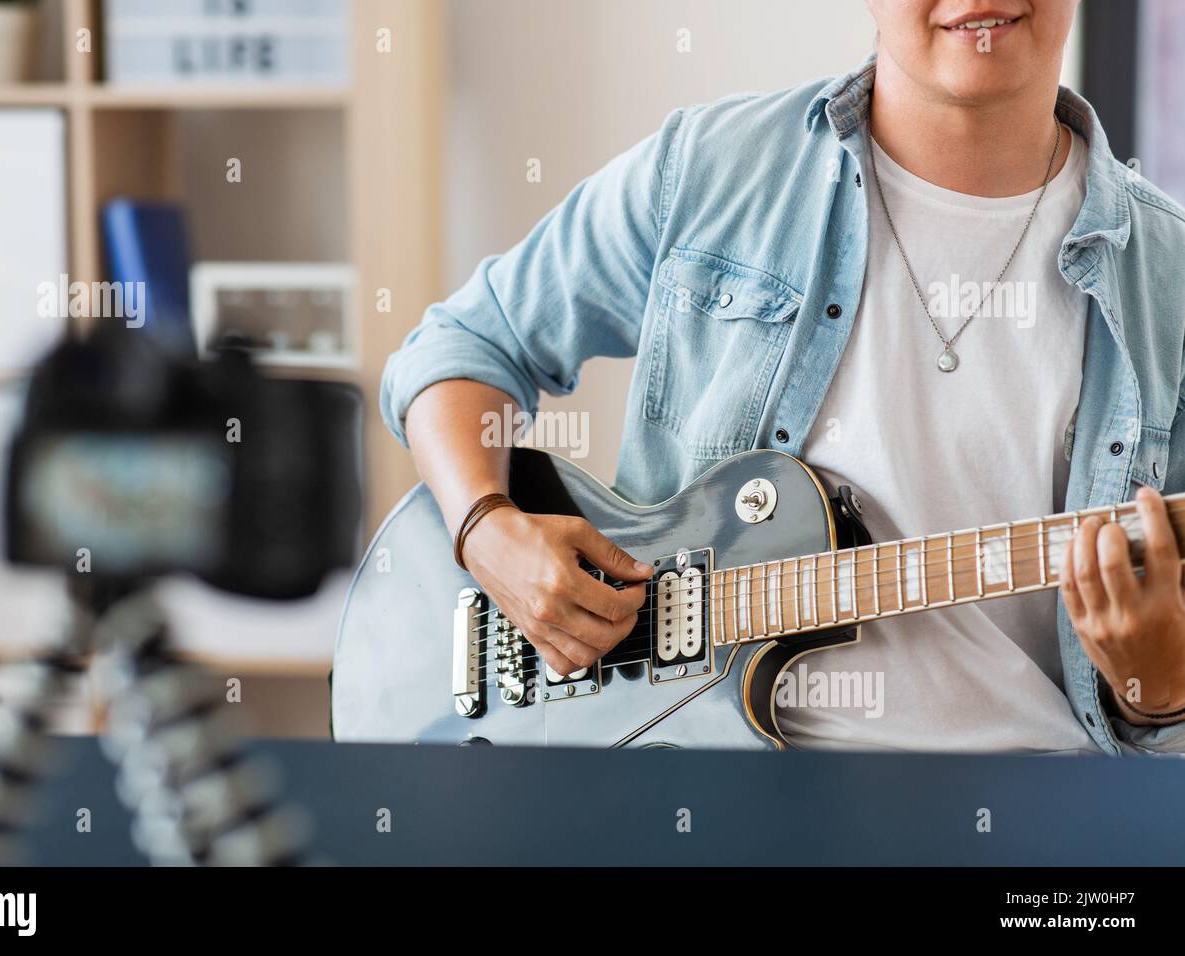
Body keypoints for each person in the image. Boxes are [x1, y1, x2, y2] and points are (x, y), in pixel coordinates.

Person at [380, 1, 1185, 754]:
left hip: (1030, 830)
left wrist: (1158, 689)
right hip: (700, 804)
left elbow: (1160, 716)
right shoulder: (708, 171)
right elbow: (457, 349)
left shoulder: (1171, 279)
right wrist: (483, 526)